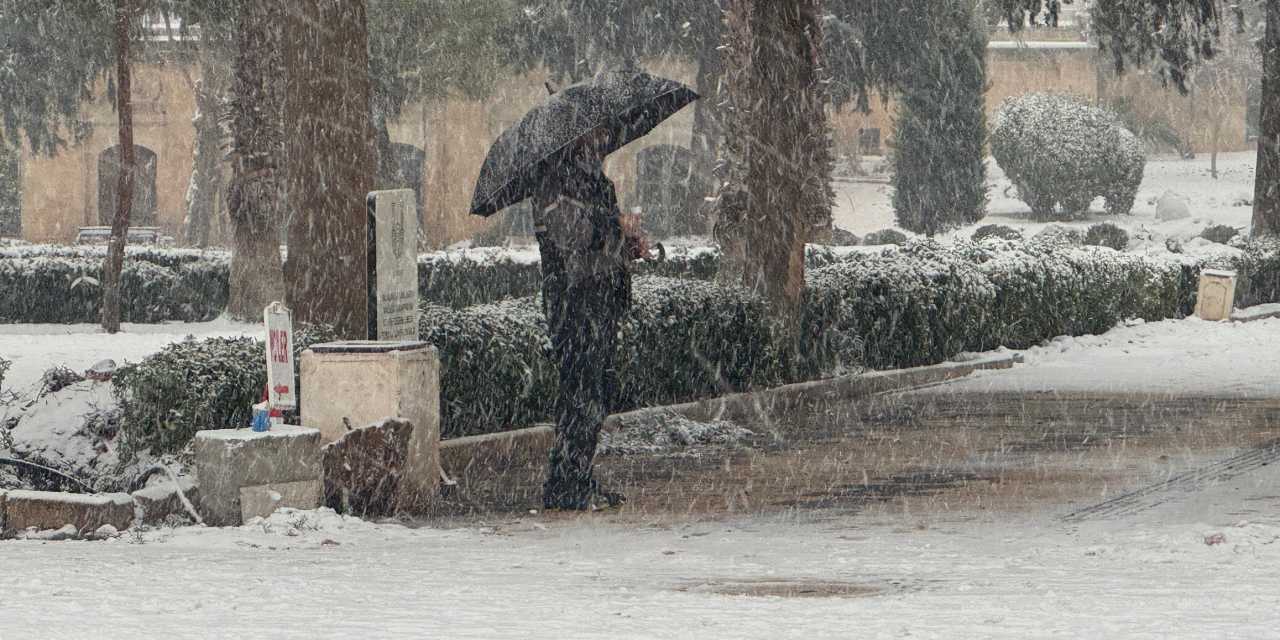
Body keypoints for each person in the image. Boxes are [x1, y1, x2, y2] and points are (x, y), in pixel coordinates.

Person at [534, 126, 646, 510]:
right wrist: (615, 226)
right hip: (574, 301)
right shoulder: (554, 183)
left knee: (597, 392)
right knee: (580, 391)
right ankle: (565, 483)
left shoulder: (595, 180)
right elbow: (572, 234)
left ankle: (578, 476)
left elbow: (600, 238)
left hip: (602, 298)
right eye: (594, 133)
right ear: (577, 137)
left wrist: (627, 245)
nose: (603, 139)